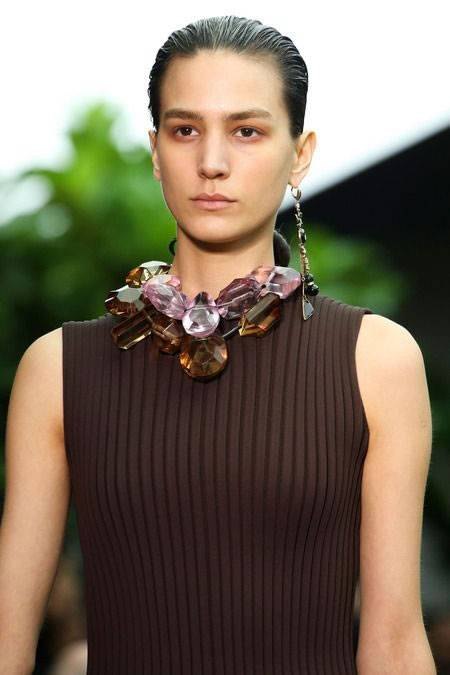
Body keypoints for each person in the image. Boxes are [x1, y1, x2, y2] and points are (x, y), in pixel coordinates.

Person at [0, 15, 436, 675]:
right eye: (185, 130)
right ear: (155, 151)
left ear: (300, 154)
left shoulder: (377, 361)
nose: (212, 162)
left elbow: (395, 640)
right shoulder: (57, 369)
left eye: (246, 130)